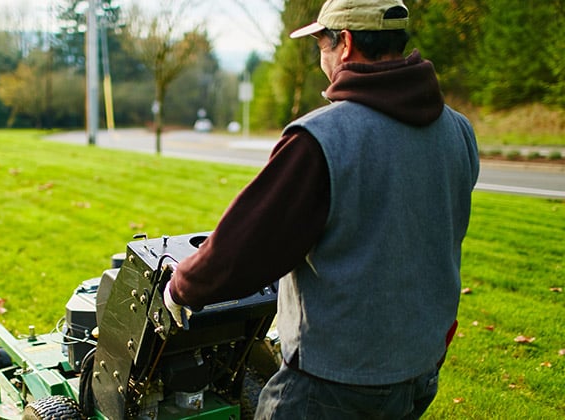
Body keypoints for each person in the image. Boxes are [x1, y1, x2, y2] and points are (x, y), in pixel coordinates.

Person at [163, 0, 480, 418]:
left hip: (334, 385)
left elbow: (247, 247)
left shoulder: (322, 138)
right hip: (419, 369)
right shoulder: (458, 129)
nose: (321, 59)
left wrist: (181, 287)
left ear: (344, 45)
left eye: (321, 45)